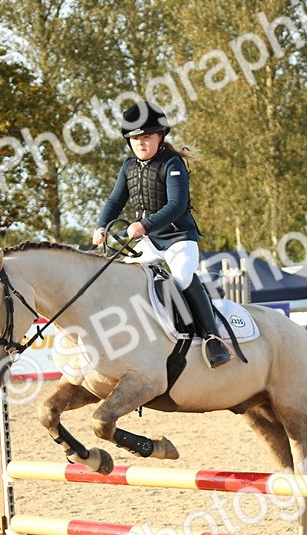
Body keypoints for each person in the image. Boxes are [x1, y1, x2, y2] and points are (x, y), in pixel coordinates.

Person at [93, 101, 231, 368]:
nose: (141, 143)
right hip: (147, 241)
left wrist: (144, 225)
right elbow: (114, 201)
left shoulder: (172, 163)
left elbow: (176, 205)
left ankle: (213, 337)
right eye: (135, 138)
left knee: (181, 277)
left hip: (178, 239)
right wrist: (102, 226)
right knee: (121, 280)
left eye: (147, 136)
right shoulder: (128, 166)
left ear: (160, 137)